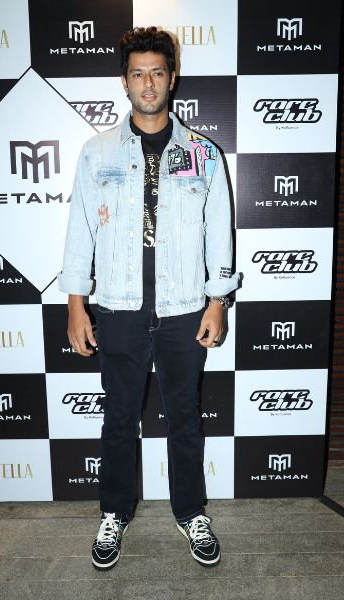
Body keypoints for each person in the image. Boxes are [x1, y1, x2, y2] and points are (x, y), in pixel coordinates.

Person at [57, 26, 239, 571]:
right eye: (138, 74)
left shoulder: (203, 154)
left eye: (157, 72)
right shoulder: (97, 153)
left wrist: (217, 301)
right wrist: (75, 303)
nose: (148, 83)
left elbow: (219, 231)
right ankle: (114, 513)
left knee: (184, 418)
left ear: (172, 78)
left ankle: (191, 513)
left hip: (184, 311)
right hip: (118, 309)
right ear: (125, 82)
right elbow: (80, 230)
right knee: (118, 418)